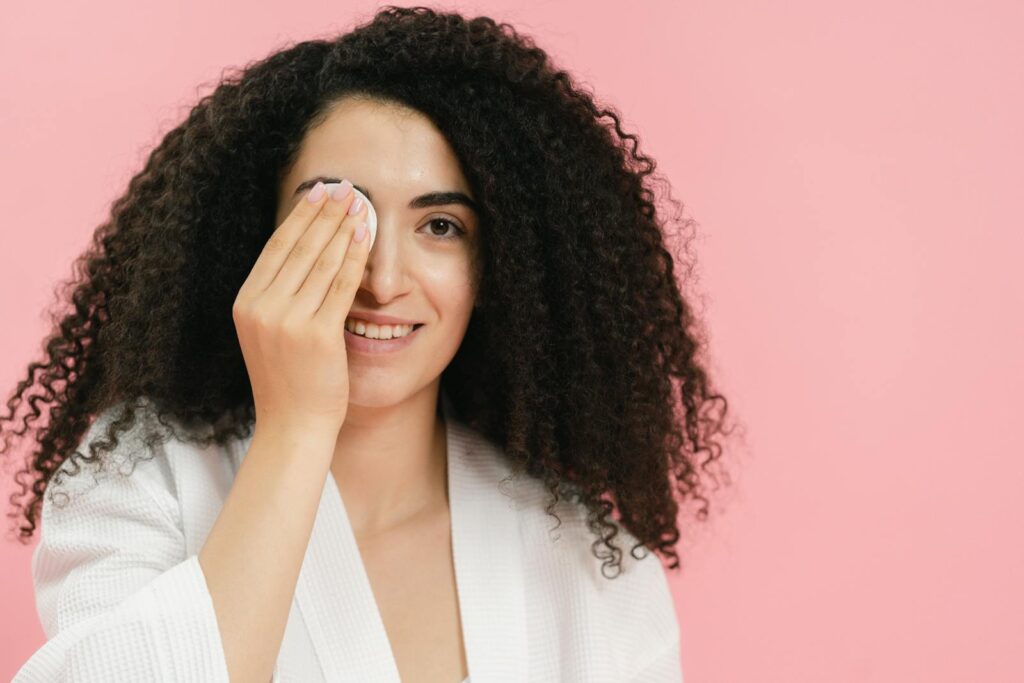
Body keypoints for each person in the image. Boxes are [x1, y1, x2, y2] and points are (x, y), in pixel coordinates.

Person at [4, 5, 735, 682]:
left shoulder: (590, 562)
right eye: (335, 216)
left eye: (440, 226)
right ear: (257, 234)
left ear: (497, 267)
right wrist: (295, 429)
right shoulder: (142, 481)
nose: (383, 278)